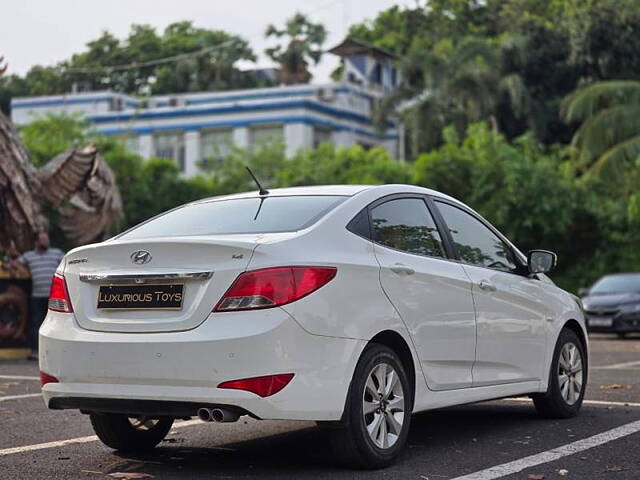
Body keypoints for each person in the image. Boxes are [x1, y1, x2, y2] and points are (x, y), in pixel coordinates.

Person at [18, 232, 64, 359]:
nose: (46, 242)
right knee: (36, 323)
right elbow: (16, 264)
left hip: (54, 296)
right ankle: (35, 351)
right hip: (37, 296)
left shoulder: (57, 253)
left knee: (56, 323)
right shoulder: (29, 256)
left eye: (46, 239)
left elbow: (68, 263)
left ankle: (56, 351)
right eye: (43, 240)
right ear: (36, 242)